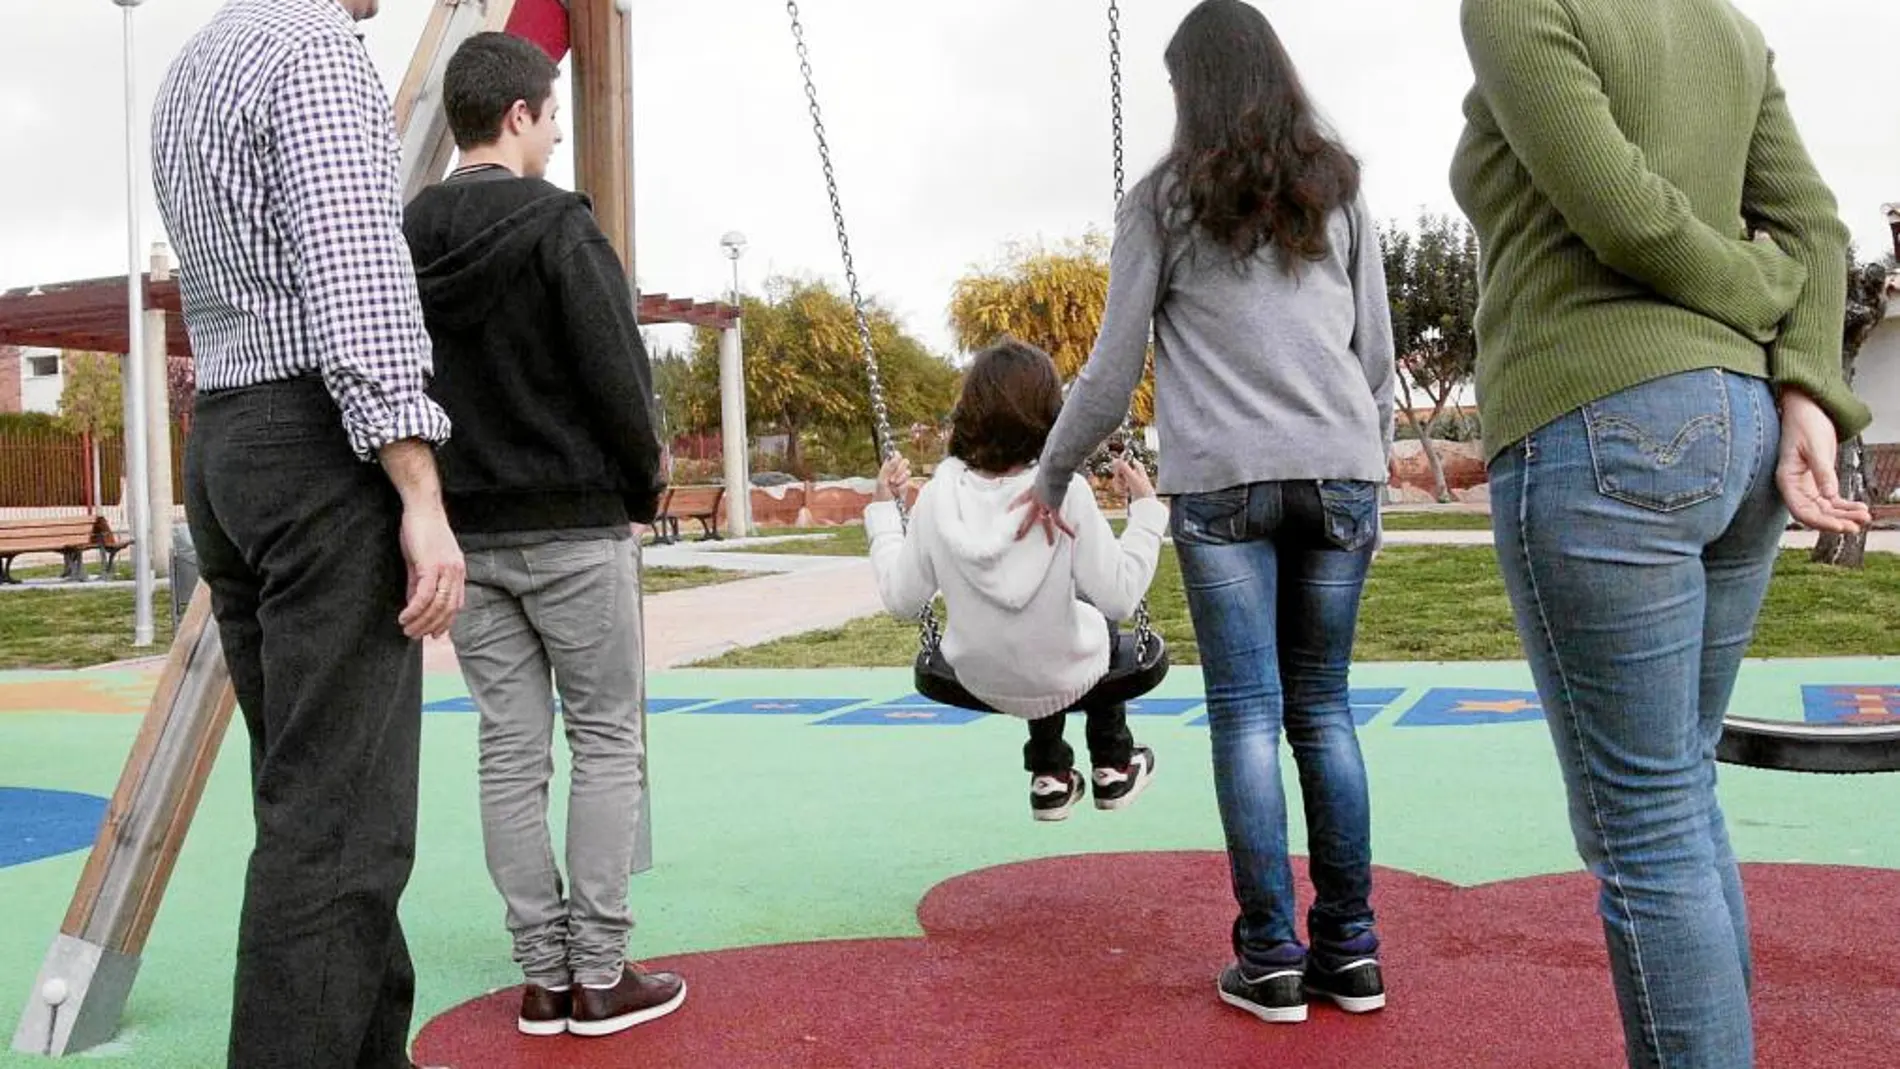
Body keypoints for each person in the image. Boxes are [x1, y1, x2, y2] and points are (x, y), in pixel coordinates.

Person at [1450, 1, 1871, 1064]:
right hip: (1739, 435)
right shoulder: (1724, 27)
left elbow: (1626, 215)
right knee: (1676, 791)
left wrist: (1755, 290)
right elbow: (1817, 226)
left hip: (1601, 422)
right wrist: (1805, 386)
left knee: (1640, 820)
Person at [1014, 0, 1396, 1026]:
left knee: (1249, 715)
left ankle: (1269, 956)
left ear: (1194, 89)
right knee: (1325, 709)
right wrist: (1371, 465)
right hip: (1338, 473)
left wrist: (1049, 478)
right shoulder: (1341, 188)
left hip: (1224, 482)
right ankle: (1351, 951)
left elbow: (1109, 372)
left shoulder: (1162, 203)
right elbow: (1374, 356)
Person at [150, 0, 465, 1065]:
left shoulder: (197, 63)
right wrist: (418, 488)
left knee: (311, 798)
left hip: (229, 442)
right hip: (319, 443)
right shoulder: (318, 53)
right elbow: (358, 278)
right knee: (340, 828)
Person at [401, 32, 680, 1038]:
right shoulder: (560, 225)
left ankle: (541, 975)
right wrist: (643, 480)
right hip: (572, 523)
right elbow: (614, 371)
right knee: (607, 739)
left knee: (509, 751)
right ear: (517, 115)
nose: (559, 132)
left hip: (466, 535)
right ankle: (601, 971)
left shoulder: (409, 229)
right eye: (554, 114)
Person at [864, 339, 1166, 821]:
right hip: (1064, 669)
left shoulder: (939, 497)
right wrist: (1148, 511)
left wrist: (883, 511)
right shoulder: (1066, 493)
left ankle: (1050, 775)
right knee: (1091, 617)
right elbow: (1121, 596)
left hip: (977, 675)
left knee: (1044, 628)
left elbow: (901, 601)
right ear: (1051, 416)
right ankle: (1113, 766)